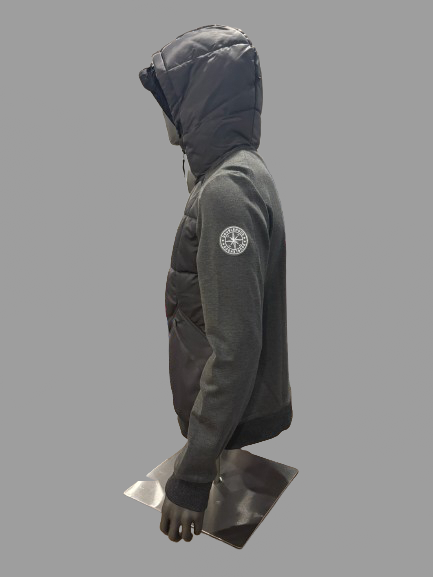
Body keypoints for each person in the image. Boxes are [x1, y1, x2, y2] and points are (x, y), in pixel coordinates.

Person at [139, 24, 293, 542]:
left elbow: (237, 346)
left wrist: (192, 477)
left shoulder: (228, 191)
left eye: (171, 100)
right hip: (223, 426)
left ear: (200, 101)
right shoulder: (231, 177)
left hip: (228, 435)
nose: (165, 114)